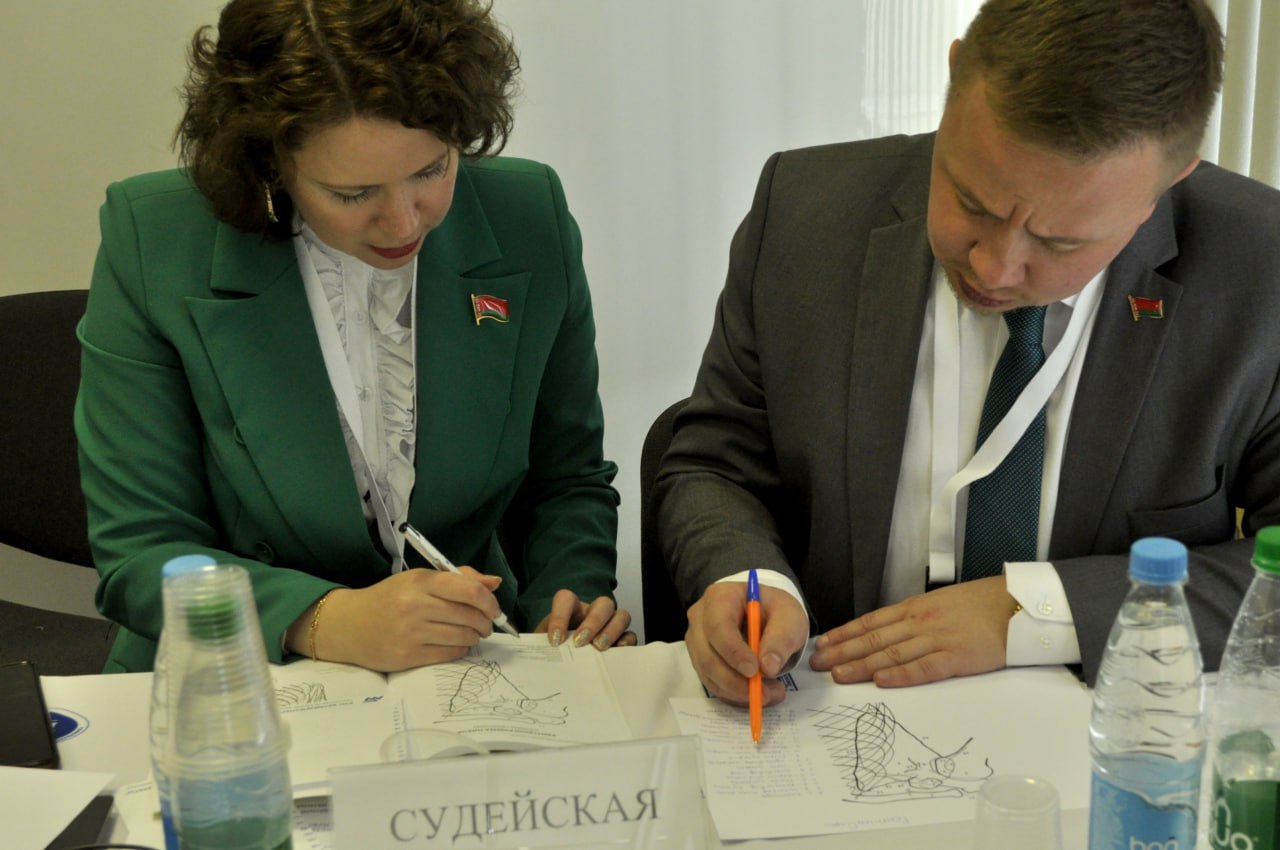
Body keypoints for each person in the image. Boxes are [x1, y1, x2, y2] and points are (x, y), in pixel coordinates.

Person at [655, 0, 1280, 705]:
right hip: (829, 712)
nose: (993, 267)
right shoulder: (804, 211)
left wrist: (1034, 611)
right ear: (953, 78)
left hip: (1105, 731)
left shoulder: (1260, 272)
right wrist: (749, 580)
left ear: (1170, 180)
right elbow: (717, 461)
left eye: (1060, 242)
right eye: (972, 202)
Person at [76, 0, 634, 674]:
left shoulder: (529, 216)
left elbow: (566, 480)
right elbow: (141, 552)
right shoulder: (155, 239)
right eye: (352, 193)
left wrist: (567, 600)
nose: (404, 222)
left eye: (431, 171)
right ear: (271, 162)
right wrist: (321, 619)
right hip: (228, 673)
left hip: (468, 668)